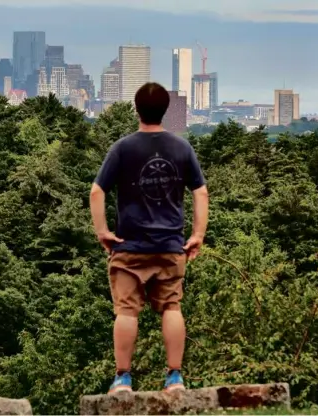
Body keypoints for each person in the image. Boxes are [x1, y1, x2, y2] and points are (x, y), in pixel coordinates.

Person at [89, 82, 209, 394]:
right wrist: (197, 235)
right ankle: (174, 377)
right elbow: (201, 192)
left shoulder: (123, 148)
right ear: (166, 110)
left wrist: (103, 231)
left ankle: (123, 378)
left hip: (129, 246)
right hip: (170, 245)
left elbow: (97, 191)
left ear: (136, 108)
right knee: (171, 307)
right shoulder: (182, 148)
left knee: (127, 311)